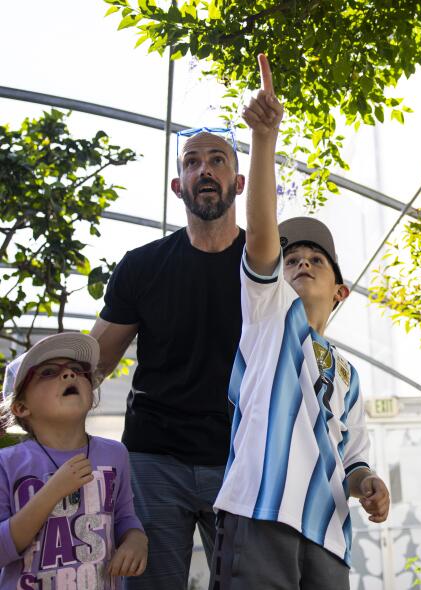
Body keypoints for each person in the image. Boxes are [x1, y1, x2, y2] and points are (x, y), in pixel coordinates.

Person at [209, 54, 391, 590]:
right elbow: (262, 234)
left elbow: (352, 456)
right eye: (292, 259)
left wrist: (369, 482)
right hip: (259, 511)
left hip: (328, 534)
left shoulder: (351, 376)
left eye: (316, 258)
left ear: (340, 291)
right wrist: (264, 139)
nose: (301, 262)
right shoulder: (270, 318)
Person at [90, 124, 247, 589]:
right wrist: (25, 403)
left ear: (239, 183)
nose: (205, 169)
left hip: (242, 459)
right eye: (192, 161)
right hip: (153, 459)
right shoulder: (142, 265)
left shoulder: (266, 267)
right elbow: (95, 362)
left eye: (218, 159)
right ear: (178, 185)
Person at [0, 332, 147, 589]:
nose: (69, 375)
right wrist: (53, 491)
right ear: (21, 407)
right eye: (48, 372)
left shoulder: (116, 454)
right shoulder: (6, 463)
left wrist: (137, 540)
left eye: (78, 370)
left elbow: (125, 518)